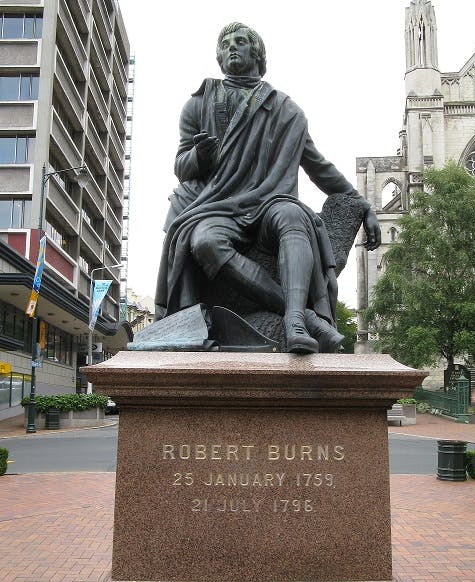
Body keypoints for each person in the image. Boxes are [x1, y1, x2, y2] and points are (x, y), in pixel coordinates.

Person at [155, 22, 381, 353]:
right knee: (205, 241)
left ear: (257, 54)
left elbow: (318, 166)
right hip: (220, 206)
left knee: (293, 216)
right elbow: (181, 168)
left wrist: (363, 205)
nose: (232, 46)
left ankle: (294, 323)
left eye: (241, 41)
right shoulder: (198, 105)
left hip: (269, 202)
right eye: (226, 43)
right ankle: (304, 315)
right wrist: (200, 158)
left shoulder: (286, 111)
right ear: (219, 56)